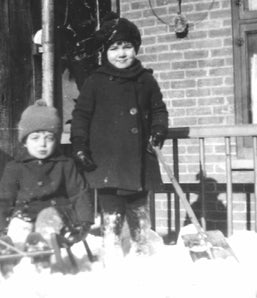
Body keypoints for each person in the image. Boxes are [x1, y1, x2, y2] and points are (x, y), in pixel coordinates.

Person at [70, 14, 169, 257]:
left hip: (138, 158)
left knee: (138, 209)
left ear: (135, 48)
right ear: (105, 52)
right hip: (107, 160)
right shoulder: (95, 82)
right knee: (111, 211)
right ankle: (112, 251)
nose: (122, 53)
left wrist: (158, 131)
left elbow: (159, 110)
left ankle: (141, 250)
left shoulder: (146, 80)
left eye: (127, 46)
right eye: (114, 48)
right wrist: (80, 146)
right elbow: (81, 116)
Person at [0, 99, 94, 251]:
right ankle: (12, 253)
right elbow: (4, 199)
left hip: (58, 214)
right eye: (35, 138)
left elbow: (79, 193)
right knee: (19, 225)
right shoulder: (15, 168)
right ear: (25, 142)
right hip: (25, 213)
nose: (42, 144)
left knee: (47, 221)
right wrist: (0, 227)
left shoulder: (65, 164)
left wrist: (84, 222)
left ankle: (44, 250)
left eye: (49, 138)